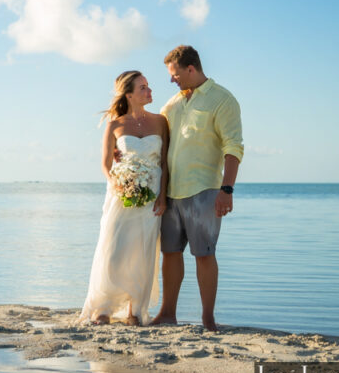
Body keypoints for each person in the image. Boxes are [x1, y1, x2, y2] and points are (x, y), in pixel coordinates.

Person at [151, 45, 243, 332]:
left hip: (204, 190)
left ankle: (207, 318)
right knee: (170, 253)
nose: (172, 80)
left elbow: (233, 147)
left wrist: (226, 189)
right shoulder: (171, 105)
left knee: (204, 254)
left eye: (175, 74)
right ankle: (167, 313)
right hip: (171, 193)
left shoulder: (223, 100)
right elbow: (158, 145)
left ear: (191, 69)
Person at [78, 71, 169, 326]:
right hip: (121, 195)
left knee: (143, 251)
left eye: (148, 86)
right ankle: (104, 309)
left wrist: (162, 196)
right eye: (143, 87)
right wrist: (119, 183)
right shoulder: (115, 125)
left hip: (151, 196)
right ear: (129, 94)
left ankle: (134, 311)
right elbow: (106, 164)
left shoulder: (161, 122)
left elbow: (165, 162)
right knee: (114, 249)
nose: (149, 91)